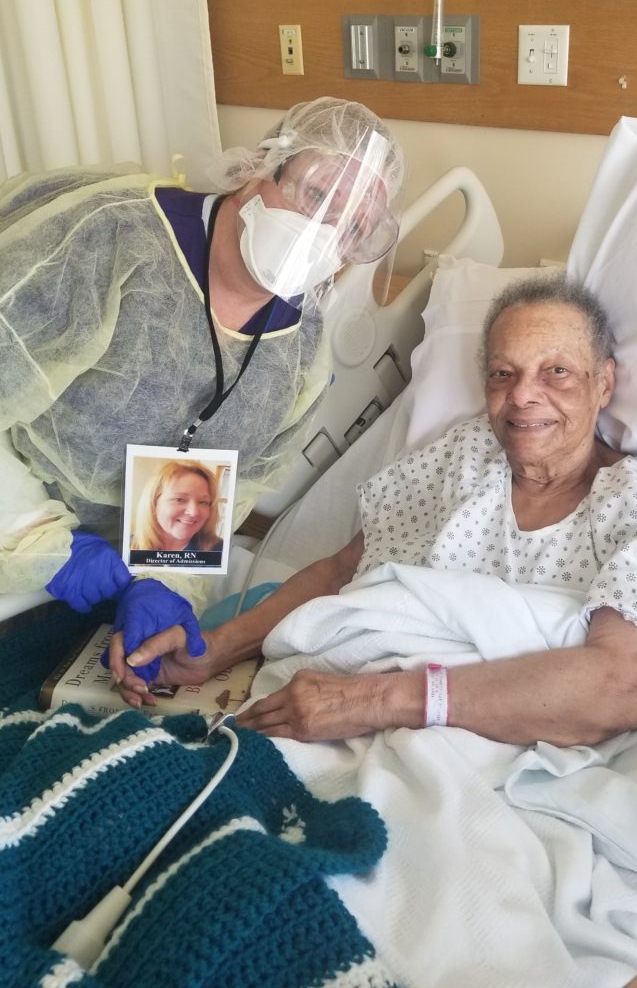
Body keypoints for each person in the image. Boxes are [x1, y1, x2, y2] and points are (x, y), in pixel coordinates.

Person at [110, 273, 637, 749]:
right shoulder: (467, 457)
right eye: (502, 372)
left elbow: (626, 688)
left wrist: (381, 701)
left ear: (604, 383)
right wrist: (214, 648)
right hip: (360, 717)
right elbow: (341, 575)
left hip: (527, 753)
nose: (523, 396)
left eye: (557, 373)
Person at [0, 97, 404, 668]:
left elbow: (234, 488)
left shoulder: (300, 351)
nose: (323, 230)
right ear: (260, 169)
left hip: (104, 582)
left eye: (354, 226)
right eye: (317, 196)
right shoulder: (112, 240)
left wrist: (164, 582)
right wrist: (35, 536)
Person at [130, 459, 223, 554]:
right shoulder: (123, 549)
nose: (194, 512)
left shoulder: (222, 552)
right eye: (179, 499)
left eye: (203, 502)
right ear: (154, 502)